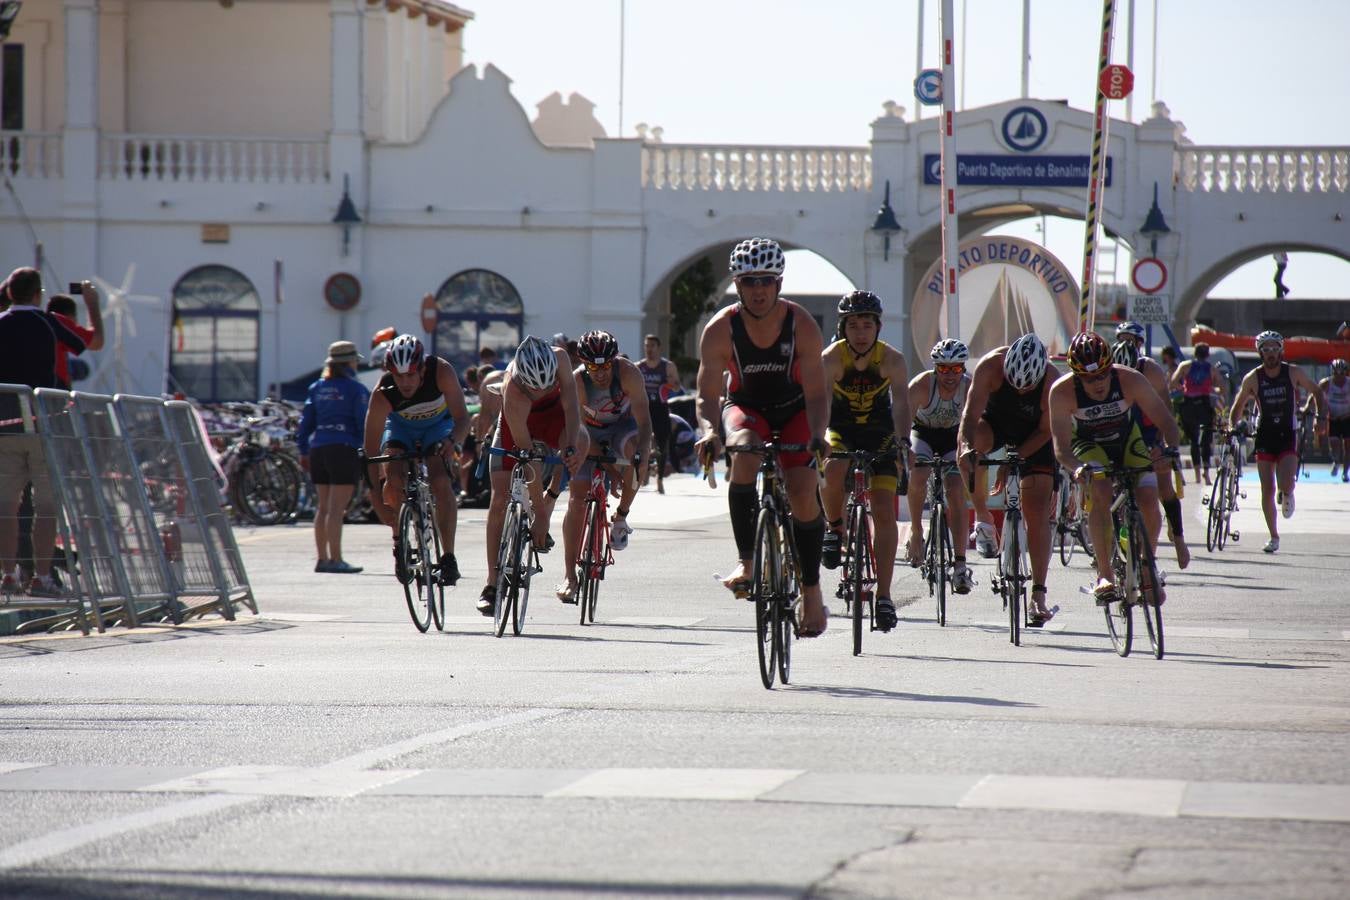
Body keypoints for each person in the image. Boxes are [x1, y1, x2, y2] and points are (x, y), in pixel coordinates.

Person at [693, 238, 831, 638]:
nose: (758, 289)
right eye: (749, 280)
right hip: (747, 407)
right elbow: (707, 395)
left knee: (804, 488)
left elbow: (818, 394)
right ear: (737, 284)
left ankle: (810, 591)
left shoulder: (801, 324)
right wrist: (708, 433)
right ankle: (748, 562)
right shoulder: (721, 328)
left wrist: (819, 435)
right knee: (743, 453)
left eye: (766, 281)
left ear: (779, 283)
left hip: (795, 410)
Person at [1051, 331, 1181, 605]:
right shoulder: (1062, 392)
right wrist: (1076, 468)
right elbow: (1061, 447)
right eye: (1087, 378)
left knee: (1148, 497)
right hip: (1089, 446)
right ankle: (1104, 574)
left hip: (1127, 441)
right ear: (1076, 376)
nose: (1097, 383)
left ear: (1111, 368)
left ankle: (1148, 565)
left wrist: (1169, 450)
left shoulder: (1131, 380)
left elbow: (1167, 422)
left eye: (1102, 374)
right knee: (1100, 487)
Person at [0, 267, 97, 597]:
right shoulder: (49, 322)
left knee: (6, 506)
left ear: (9, 293)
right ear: (38, 293)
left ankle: (8, 575)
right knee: (46, 507)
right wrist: (92, 304)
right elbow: (89, 343)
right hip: (43, 423)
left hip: (4, 428)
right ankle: (41, 576)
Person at [818, 291, 911, 631]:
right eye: (853, 325)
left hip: (879, 432)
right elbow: (823, 403)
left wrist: (902, 442)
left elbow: (901, 404)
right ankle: (834, 527)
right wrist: (818, 439)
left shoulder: (892, 359)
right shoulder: (831, 357)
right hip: (840, 429)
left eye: (867, 325)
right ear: (843, 328)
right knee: (832, 463)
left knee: (884, 509)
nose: (860, 332)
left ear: (878, 327)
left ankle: (884, 597)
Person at [479, 335, 587, 615]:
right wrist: (540, 516)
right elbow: (529, 461)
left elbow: (573, 409)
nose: (541, 391)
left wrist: (571, 448)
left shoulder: (561, 358)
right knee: (500, 498)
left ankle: (554, 494)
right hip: (519, 423)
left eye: (547, 385)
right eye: (534, 388)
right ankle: (491, 583)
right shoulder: (512, 388)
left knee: (581, 440)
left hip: (553, 417)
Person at [957, 333, 1055, 625]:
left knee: (1036, 513)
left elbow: (1046, 431)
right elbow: (969, 417)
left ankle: (1038, 595)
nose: (1021, 391)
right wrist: (965, 449)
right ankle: (984, 519)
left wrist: (1013, 461)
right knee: (971, 451)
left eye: (1028, 388)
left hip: (1035, 436)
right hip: (994, 424)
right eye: (1015, 385)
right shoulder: (990, 367)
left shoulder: (1051, 381)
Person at [362, 334, 470, 586]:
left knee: (440, 479)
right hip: (401, 430)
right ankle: (400, 543)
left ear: (422, 368)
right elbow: (369, 455)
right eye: (399, 376)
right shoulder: (383, 392)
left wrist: (452, 441)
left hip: (438, 428)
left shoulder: (441, 371)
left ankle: (448, 557)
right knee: (393, 475)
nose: (405, 383)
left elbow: (463, 419)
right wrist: (377, 498)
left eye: (410, 375)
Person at [557, 330, 652, 603]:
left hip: (622, 428)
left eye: (606, 366)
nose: (600, 373)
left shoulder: (630, 374)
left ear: (615, 361)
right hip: (590, 433)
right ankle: (569, 575)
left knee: (638, 454)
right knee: (577, 499)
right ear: (584, 365)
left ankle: (621, 516)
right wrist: (612, 472)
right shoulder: (577, 382)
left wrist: (643, 453)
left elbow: (645, 423)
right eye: (593, 367)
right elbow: (579, 430)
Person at [1228, 331, 1327, 553]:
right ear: (1260, 351)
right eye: (1266, 349)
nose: (1271, 353)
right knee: (1267, 489)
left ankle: (1288, 492)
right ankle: (1273, 536)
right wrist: (1231, 426)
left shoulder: (1292, 372)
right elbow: (1238, 405)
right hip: (1264, 435)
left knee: (1286, 483)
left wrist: (1320, 418)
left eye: (1274, 349)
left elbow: (1317, 391)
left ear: (1281, 350)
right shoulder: (1253, 377)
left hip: (1287, 434)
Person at [1112, 339, 1190, 569]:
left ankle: (1178, 539)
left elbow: (1164, 412)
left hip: (1149, 430)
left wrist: (1162, 447)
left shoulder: (1152, 372)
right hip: (1123, 433)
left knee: (1164, 483)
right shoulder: (1107, 378)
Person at [905, 338, 974, 594]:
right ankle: (916, 531)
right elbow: (903, 421)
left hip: (952, 437)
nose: (950, 375)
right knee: (919, 473)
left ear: (963, 369)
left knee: (955, 490)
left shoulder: (969, 388)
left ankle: (959, 565)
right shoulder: (922, 385)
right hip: (922, 434)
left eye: (956, 369)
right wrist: (902, 450)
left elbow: (976, 422)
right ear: (935, 369)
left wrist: (971, 450)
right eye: (943, 369)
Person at [298, 341, 370, 573]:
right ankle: (337, 559)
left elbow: (305, 423)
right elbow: (363, 423)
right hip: (343, 447)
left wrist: (303, 450)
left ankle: (322, 558)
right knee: (337, 508)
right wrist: (366, 448)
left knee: (323, 507)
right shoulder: (355, 389)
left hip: (318, 447)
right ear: (349, 362)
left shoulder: (317, 387)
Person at [1170, 342, 1225, 485]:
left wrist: (1183, 388)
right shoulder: (1211, 369)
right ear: (1207, 354)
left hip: (1189, 404)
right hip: (1204, 404)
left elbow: (1173, 382)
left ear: (1195, 353)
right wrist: (1212, 389)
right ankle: (1206, 473)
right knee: (1206, 439)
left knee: (1194, 440)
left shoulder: (1185, 366)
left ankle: (1197, 475)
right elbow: (1222, 387)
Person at [638, 334, 682, 478]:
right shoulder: (639, 366)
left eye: (652, 346)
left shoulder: (667, 366)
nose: (649, 349)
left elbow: (677, 388)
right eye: (646, 346)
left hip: (660, 407)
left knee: (663, 443)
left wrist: (670, 382)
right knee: (641, 441)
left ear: (659, 348)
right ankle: (643, 474)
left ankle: (660, 479)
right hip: (644, 408)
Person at [46, 284, 105, 389]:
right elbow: (97, 342)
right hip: (54, 394)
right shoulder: (59, 323)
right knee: (81, 369)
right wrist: (92, 303)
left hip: (28, 394)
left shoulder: (34, 323)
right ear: (70, 318)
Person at [1321, 358, 1350, 481]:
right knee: (1335, 445)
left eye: (1341, 373)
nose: (1339, 377)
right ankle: (1336, 461)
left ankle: (1345, 473)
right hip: (1333, 418)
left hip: (1347, 418)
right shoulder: (1326, 383)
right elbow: (1315, 395)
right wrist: (1307, 407)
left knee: (1348, 447)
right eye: (1336, 373)